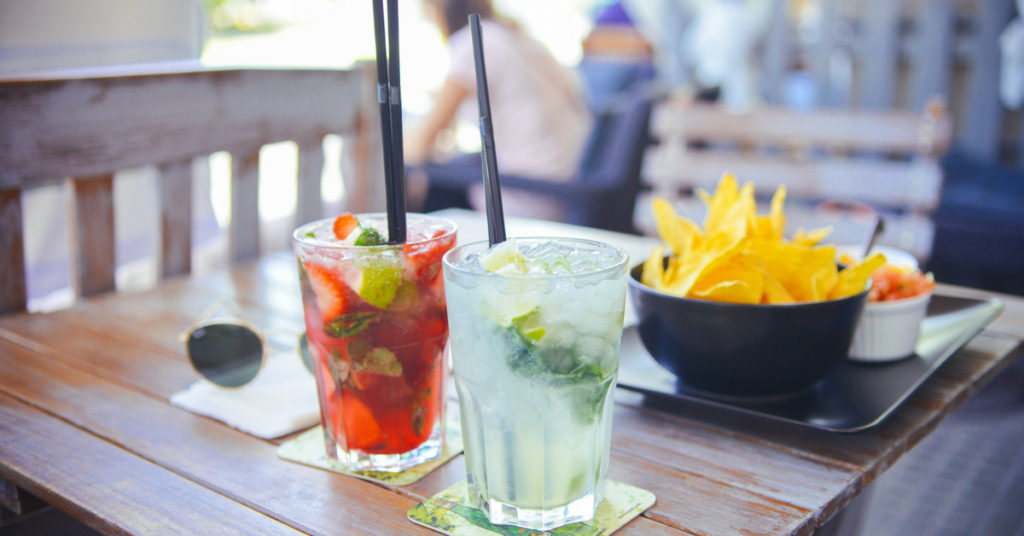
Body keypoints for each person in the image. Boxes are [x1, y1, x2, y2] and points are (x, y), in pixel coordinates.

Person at [405, 0, 591, 221]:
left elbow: (420, 146)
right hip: (567, 185)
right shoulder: (513, 35)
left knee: (426, 189)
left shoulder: (474, 42)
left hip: (525, 195)